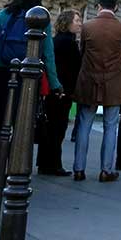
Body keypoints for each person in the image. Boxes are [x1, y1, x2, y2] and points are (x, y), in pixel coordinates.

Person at [0, 0, 60, 195]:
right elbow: (48, 54)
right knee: (21, 127)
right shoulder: (41, 17)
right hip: (28, 78)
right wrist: (55, 84)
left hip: (1, 73)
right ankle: (12, 176)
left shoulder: (5, 15)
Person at [72, 0, 121, 182]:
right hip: (113, 81)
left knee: (84, 125)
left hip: (89, 80)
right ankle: (106, 170)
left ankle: (79, 168)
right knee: (111, 126)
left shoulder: (87, 27)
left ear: (98, 6)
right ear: (116, 7)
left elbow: (82, 52)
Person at [37, 9, 81, 177]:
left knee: (50, 128)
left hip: (53, 90)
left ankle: (44, 163)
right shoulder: (68, 42)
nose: (79, 23)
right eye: (76, 20)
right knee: (58, 129)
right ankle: (54, 164)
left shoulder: (56, 40)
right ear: (68, 22)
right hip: (63, 90)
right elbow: (75, 68)